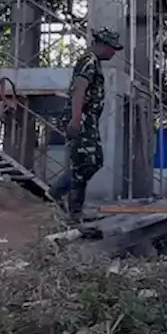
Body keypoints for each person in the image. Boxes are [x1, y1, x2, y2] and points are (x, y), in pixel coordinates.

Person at [52, 27, 123, 220]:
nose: (113, 53)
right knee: (86, 162)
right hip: (81, 119)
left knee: (90, 162)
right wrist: (76, 120)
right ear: (102, 45)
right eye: (112, 48)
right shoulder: (88, 62)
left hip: (87, 120)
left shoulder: (93, 63)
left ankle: (70, 204)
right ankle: (62, 198)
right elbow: (79, 90)